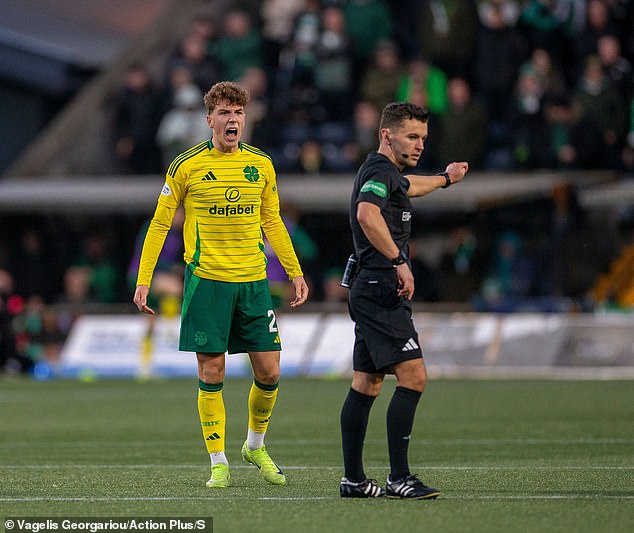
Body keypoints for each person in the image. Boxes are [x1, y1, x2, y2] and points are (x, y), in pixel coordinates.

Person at [133, 81, 309, 489]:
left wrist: (295, 271)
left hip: (253, 281)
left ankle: (254, 445)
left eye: (239, 113)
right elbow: (160, 223)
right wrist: (145, 280)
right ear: (209, 120)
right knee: (212, 371)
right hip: (207, 281)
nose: (233, 120)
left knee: (269, 370)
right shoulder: (185, 165)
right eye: (226, 113)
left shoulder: (261, 165)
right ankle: (218, 461)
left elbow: (273, 221)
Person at [339, 102, 468, 499]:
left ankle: (354, 480)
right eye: (412, 137)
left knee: (367, 382)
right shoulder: (379, 172)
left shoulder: (390, 174)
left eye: (423, 138)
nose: (419, 145)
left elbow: (412, 186)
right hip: (380, 288)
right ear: (386, 134)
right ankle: (399, 477)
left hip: (370, 287)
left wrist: (445, 179)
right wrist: (398, 260)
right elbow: (366, 214)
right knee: (414, 377)